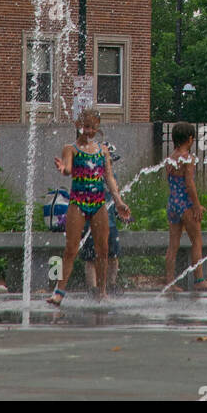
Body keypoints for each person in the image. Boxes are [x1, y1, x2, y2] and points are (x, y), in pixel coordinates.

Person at [47, 109, 131, 306]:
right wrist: (63, 169)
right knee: (71, 249)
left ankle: (101, 292)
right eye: (86, 127)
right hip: (78, 202)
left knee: (103, 249)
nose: (89, 131)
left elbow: (108, 177)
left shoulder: (103, 150)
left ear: (98, 128)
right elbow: (68, 169)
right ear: (78, 125)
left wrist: (118, 201)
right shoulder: (71, 149)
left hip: (98, 203)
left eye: (93, 127)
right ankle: (59, 292)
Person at [164, 122, 207, 293]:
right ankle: (199, 279)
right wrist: (197, 205)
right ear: (190, 139)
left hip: (172, 203)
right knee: (196, 241)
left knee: (173, 245)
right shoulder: (188, 158)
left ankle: (170, 282)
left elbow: (171, 182)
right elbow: (189, 184)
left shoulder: (170, 158)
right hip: (185, 204)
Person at [80, 142, 121, 292]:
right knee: (92, 258)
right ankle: (94, 288)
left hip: (108, 223)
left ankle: (110, 284)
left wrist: (120, 211)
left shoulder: (112, 177)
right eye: (109, 161)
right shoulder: (89, 176)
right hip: (91, 223)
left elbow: (116, 198)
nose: (110, 164)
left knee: (112, 255)